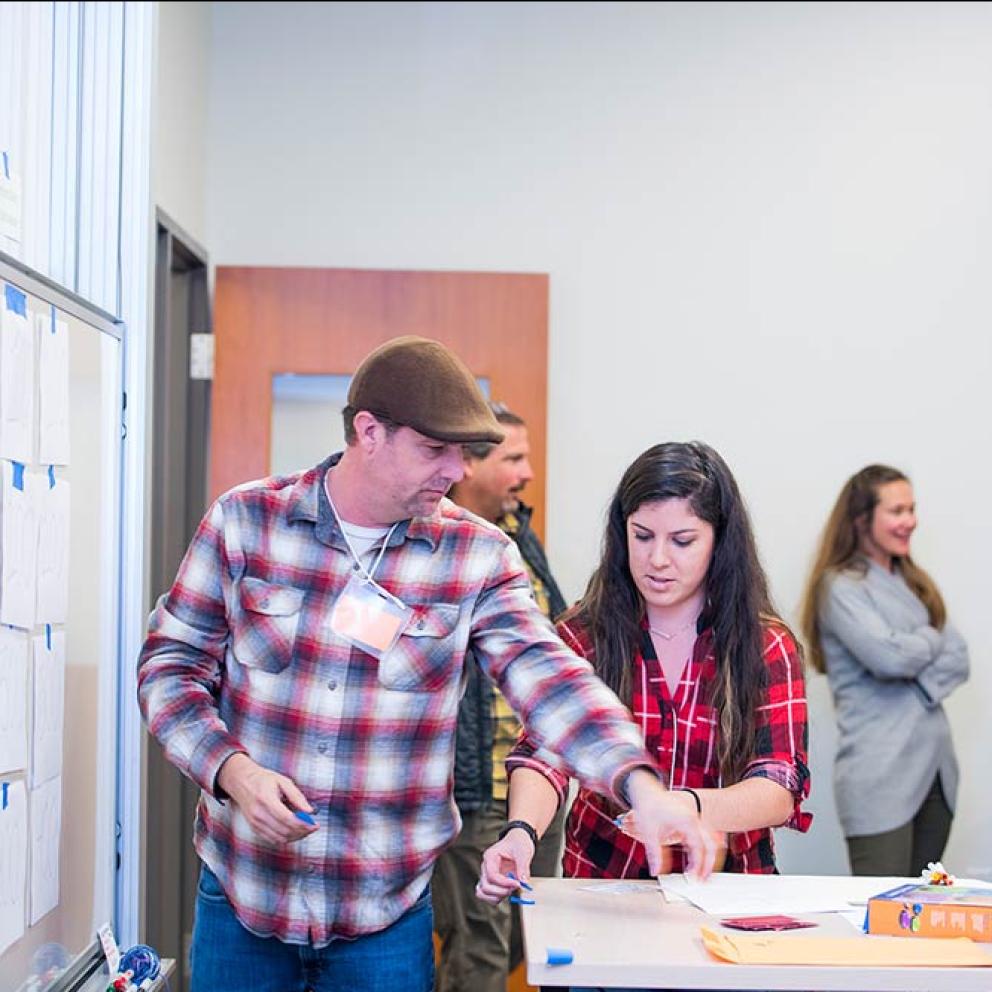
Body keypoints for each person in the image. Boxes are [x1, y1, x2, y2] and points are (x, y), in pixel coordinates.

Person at [137, 337, 718, 992]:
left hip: (385, 920)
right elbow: (169, 668)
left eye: (465, 451)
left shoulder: (477, 556)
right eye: (435, 449)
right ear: (369, 432)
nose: (457, 470)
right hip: (244, 902)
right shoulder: (246, 523)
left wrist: (642, 787)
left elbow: (549, 678)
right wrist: (231, 772)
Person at [476, 441, 810, 905]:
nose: (657, 559)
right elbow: (543, 755)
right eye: (643, 535)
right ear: (622, 532)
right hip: (603, 886)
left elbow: (777, 787)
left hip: (728, 895)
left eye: (682, 541)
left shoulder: (764, 644)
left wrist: (685, 806)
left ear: (720, 540)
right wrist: (521, 833)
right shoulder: (584, 633)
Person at [433, 401, 567, 992]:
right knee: (480, 952)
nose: (528, 472)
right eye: (514, 458)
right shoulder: (433, 546)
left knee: (519, 941)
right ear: (468, 465)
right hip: (473, 790)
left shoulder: (518, 538)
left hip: (533, 788)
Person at [800, 464, 969, 877]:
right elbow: (888, 658)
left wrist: (911, 655)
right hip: (879, 777)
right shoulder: (840, 586)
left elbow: (959, 657)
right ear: (861, 519)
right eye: (896, 511)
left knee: (923, 908)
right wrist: (930, 638)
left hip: (936, 776)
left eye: (911, 509)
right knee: (884, 917)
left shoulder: (915, 583)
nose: (909, 521)